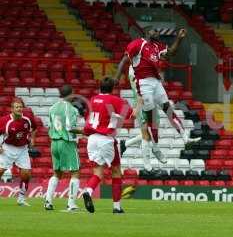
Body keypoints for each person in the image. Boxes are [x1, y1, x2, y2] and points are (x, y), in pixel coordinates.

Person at [115, 27, 200, 171]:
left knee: (168, 109)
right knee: (151, 119)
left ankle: (185, 137)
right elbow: (124, 60)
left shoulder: (157, 46)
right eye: (155, 31)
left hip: (156, 82)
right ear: (147, 32)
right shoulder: (137, 44)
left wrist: (179, 38)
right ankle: (155, 149)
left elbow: (171, 52)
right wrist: (116, 78)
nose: (158, 33)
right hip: (143, 83)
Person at [81, 77, 133, 214]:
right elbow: (129, 114)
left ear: (100, 87)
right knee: (116, 170)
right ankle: (116, 207)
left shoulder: (92, 99)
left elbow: (88, 119)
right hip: (105, 139)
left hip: (92, 139)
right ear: (112, 89)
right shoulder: (115, 100)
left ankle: (88, 190)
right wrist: (138, 102)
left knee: (98, 172)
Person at [44, 85, 83, 211]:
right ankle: (71, 203)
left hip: (54, 142)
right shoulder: (71, 109)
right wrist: (83, 131)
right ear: (71, 94)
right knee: (75, 172)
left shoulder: (52, 108)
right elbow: (70, 127)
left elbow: (50, 125)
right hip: (66, 142)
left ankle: (48, 201)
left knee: (57, 173)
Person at [0, 99, 37, 206]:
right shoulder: (4, 120)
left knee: (26, 174)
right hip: (7, 148)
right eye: (16, 107)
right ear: (12, 109)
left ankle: (21, 199)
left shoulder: (27, 119)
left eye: (20, 107)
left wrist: (32, 139)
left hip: (22, 149)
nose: (19, 109)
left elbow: (34, 128)